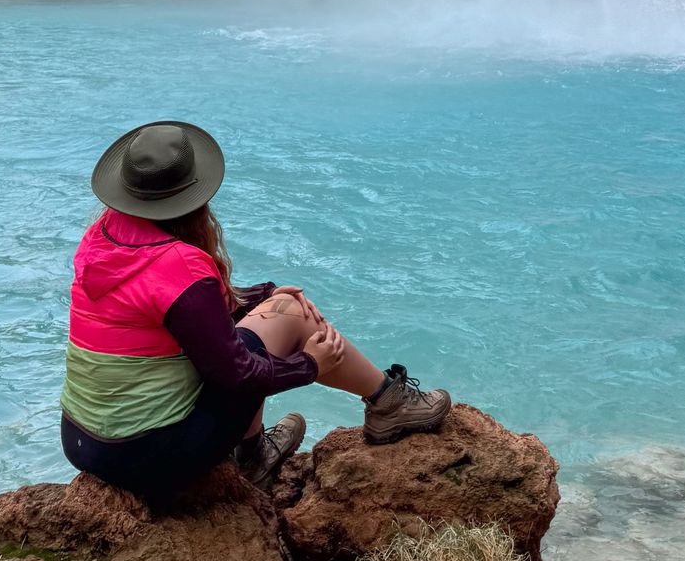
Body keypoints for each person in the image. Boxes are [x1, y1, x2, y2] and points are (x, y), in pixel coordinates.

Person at [60, 120, 450, 502]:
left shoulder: (103, 237)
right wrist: (310, 364)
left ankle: (254, 453)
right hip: (151, 459)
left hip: (85, 443)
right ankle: (387, 403)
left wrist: (264, 294)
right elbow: (238, 376)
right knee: (285, 319)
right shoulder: (181, 267)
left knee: (266, 316)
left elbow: (183, 314)